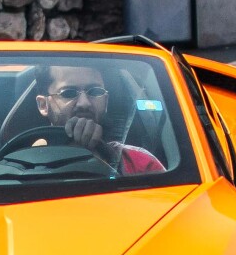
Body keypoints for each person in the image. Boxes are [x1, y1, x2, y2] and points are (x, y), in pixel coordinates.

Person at [28, 63, 164, 175]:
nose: (84, 103)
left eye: (95, 91)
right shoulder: (24, 163)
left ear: (106, 100)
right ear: (43, 105)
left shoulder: (139, 163)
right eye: (69, 93)